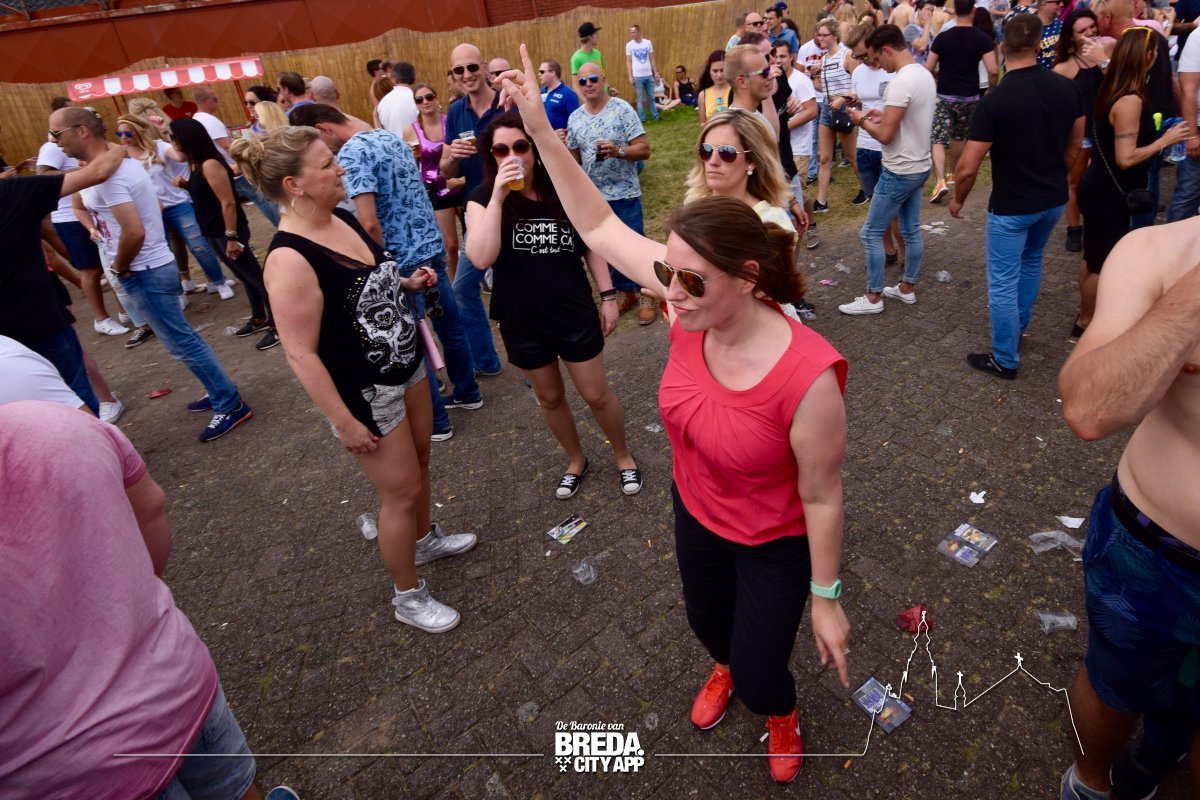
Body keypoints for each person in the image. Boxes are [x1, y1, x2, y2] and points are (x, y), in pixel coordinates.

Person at [497, 47, 852, 783]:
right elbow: (598, 224)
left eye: (691, 281)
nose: (671, 295)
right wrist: (540, 132)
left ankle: (777, 708)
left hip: (772, 541)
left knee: (763, 668)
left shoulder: (808, 375)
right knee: (707, 626)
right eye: (666, 274)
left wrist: (827, 598)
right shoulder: (689, 304)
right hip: (696, 513)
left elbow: (822, 496)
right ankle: (726, 665)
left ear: (748, 279)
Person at [230, 128, 476, 633]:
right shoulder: (289, 259)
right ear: (294, 185)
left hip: (407, 367)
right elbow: (300, 353)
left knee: (421, 464)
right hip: (366, 393)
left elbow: (363, 283)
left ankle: (423, 542)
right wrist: (343, 422)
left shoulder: (340, 218)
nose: (341, 169)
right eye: (327, 165)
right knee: (400, 493)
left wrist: (406, 283)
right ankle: (407, 597)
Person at [0, 401, 302, 800]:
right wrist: (124, 598)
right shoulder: (53, 420)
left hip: (61, 769)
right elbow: (150, 509)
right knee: (234, 788)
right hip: (174, 678)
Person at [1056, 223, 1200, 800]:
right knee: (1113, 686)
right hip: (1151, 554)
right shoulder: (1158, 252)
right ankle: (1090, 782)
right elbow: (1088, 408)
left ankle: (1163, 750)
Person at [465, 114, 642, 497]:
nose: (513, 155)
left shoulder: (562, 188)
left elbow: (592, 242)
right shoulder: (482, 198)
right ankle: (576, 460)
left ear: (534, 148)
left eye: (520, 146)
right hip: (521, 317)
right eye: (501, 150)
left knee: (596, 394)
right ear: (491, 156)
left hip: (571, 309)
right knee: (549, 397)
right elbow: (480, 257)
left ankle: (623, 455)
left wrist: (608, 296)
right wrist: (498, 196)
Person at [53, 107, 253, 442]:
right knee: (182, 340)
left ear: (81, 130)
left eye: (56, 134)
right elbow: (150, 211)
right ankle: (219, 389)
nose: (54, 142)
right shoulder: (113, 164)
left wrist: (119, 267)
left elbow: (134, 231)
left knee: (182, 343)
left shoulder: (112, 175)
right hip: (148, 265)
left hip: (143, 269)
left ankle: (229, 403)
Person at [290, 102, 484, 443]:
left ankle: (438, 423)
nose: (327, 156)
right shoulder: (387, 136)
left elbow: (368, 222)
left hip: (401, 259)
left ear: (323, 129)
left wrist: (376, 264)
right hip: (430, 245)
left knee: (414, 340)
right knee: (449, 326)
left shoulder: (353, 153)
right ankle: (468, 393)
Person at [948, 14, 1086, 379]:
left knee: (1003, 281)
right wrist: (1055, 174)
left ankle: (1005, 357)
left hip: (1012, 205)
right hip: (1052, 199)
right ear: (1040, 44)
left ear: (1002, 47)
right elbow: (1075, 145)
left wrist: (958, 200)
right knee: (1031, 262)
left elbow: (967, 167)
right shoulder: (1067, 88)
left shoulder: (995, 101)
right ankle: (1017, 328)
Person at [1073, 26, 1190, 336]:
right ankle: (1086, 323)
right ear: (1148, 57)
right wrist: (1164, 141)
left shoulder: (1112, 84)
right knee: (1101, 262)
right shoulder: (1130, 100)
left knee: (1093, 255)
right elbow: (1126, 158)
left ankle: (1085, 317)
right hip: (1108, 193)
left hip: (1099, 186)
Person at [2, 139, 125, 413]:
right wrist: (117, 147)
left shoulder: (13, 191)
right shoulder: (11, 192)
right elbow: (97, 172)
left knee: (25, 408)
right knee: (73, 391)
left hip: (32, 322)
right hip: (38, 321)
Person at [840, 24, 936, 315]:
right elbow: (907, 119)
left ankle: (873, 297)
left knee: (870, 233)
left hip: (899, 170)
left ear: (887, 50)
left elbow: (884, 136)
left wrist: (860, 120)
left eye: (877, 58)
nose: (877, 64)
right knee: (910, 230)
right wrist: (882, 114)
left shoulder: (900, 82)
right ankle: (907, 288)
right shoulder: (923, 74)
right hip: (919, 165)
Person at [169, 117, 278, 352]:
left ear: (186, 137)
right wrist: (187, 186)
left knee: (256, 278)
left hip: (226, 231)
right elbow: (207, 194)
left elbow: (228, 202)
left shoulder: (210, 164)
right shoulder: (196, 164)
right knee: (243, 275)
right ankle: (259, 317)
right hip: (213, 231)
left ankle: (278, 325)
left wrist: (231, 238)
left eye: (173, 136)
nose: (171, 142)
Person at [566, 62, 656, 325]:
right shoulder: (575, 118)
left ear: (603, 79)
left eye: (593, 78)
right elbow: (573, 159)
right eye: (583, 81)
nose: (588, 84)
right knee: (607, 250)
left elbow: (644, 149)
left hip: (625, 193)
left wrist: (618, 151)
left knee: (634, 246)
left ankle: (647, 293)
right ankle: (625, 292)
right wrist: (562, 148)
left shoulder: (622, 109)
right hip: (594, 198)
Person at [116, 115, 231, 310]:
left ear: (139, 132)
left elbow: (181, 157)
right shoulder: (121, 157)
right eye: (119, 134)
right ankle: (177, 293)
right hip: (148, 212)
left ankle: (218, 281)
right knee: (164, 254)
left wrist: (164, 130)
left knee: (198, 245)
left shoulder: (158, 146)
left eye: (128, 133)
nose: (124, 137)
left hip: (177, 204)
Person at [440, 43, 505, 377]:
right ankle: (486, 361)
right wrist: (452, 157)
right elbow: (446, 172)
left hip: (512, 211)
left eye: (472, 67)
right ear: (453, 75)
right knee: (463, 289)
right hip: (476, 214)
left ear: (484, 67)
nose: (466, 75)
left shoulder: (506, 102)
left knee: (514, 291)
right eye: (459, 70)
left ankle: (535, 369)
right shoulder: (455, 112)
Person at [36, 119, 128, 338]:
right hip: (69, 216)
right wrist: (80, 173)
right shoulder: (52, 147)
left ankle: (125, 311)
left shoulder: (86, 146)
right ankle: (101, 319)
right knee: (91, 269)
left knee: (109, 264)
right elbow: (42, 174)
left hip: (92, 211)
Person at [924, 0, 998, 203]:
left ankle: (940, 180)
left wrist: (937, 76)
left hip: (945, 94)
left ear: (954, 10)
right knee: (960, 136)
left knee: (938, 139)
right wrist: (991, 89)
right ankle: (953, 174)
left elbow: (928, 67)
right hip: (969, 96)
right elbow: (993, 70)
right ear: (973, 10)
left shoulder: (943, 37)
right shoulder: (982, 38)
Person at [848, 25, 908, 264]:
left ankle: (906, 256)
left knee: (894, 208)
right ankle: (888, 251)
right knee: (875, 206)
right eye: (858, 57)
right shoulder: (858, 72)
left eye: (865, 54)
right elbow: (862, 100)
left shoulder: (893, 70)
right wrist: (853, 102)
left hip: (888, 147)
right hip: (864, 146)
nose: (863, 60)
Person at [1053, 8, 1106, 252]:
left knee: (1100, 183)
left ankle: (1100, 223)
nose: (1090, 33)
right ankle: (1074, 229)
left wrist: (1103, 60)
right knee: (1073, 182)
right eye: (1082, 30)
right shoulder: (1064, 67)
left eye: (1092, 27)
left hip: (1109, 130)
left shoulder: (1109, 48)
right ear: (1071, 37)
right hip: (1082, 135)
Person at [191, 85, 281, 227]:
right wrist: (242, 162)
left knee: (263, 199)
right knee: (263, 198)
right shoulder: (209, 120)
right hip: (236, 169)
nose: (218, 101)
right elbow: (228, 146)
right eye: (215, 98)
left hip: (231, 169)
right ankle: (282, 226)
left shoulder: (197, 118)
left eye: (251, 102)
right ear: (205, 100)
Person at [412, 82, 466, 282]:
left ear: (436, 99)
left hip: (458, 184)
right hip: (435, 190)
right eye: (419, 99)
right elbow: (412, 166)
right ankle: (455, 284)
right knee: (450, 245)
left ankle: (476, 280)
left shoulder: (450, 122)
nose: (425, 102)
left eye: (429, 97)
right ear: (416, 104)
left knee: (472, 238)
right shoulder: (412, 130)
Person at [812, 19, 862, 213]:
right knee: (825, 158)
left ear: (834, 36)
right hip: (827, 108)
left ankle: (866, 189)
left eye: (824, 35)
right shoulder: (824, 59)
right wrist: (814, 77)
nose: (820, 38)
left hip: (844, 109)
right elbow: (822, 88)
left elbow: (858, 84)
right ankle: (821, 202)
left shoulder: (847, 55)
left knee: (851, 156)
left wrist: (842, 99)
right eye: (819, 35)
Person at [1167, 20, 1200, 222]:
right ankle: (1174, 239)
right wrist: (1192, 135)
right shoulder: (1198, 37)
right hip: (1199, 127)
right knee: (1188, 194)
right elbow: (1188, 91)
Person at [626, 24, 660, 122]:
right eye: (631, 33)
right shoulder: (629, 45)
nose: (632, 34)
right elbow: (628, 61)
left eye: (633, 32)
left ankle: (655, 117)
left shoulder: (648, 43)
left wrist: (655, 72)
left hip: (649, 74)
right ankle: (642, 119)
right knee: (640, 99)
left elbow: (652, 58)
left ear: (639, 32)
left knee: (651, 97)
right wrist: (630, 76)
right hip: (637, 76)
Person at [376, 62, 419, 137]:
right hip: (415, 143)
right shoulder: (418, 100)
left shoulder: (383, 103)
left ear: (394, 79)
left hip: (392, 143)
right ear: (414, 79)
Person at [539, 59, 581, 131]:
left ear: (552, 73)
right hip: (542, 136)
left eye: (542, 72)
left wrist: (565, 134)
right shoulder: (540, 92)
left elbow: (576, 123)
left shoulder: (569, 94)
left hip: (560, 137)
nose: (539, 74)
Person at [697, 50, 731, 123]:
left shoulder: (736, 91)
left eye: (722, 70)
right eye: (715, 71)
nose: (719, 75)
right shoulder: (703, 95)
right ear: (709, 71)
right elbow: (703, 123)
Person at [905, 0, 936, 66]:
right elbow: (921, 47)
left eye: (932, 10)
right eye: (927, 9)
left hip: (926, 69)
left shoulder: (930, 29)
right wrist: (927, 25)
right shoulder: (911, 28)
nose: (930, 13)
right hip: (914, 68)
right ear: (919, 11)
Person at [1037, 0, 1066, 65]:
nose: (1061, 4)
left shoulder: (1062, 25)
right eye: (1057, 2)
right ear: (1044, 5)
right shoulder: (1030, 28)